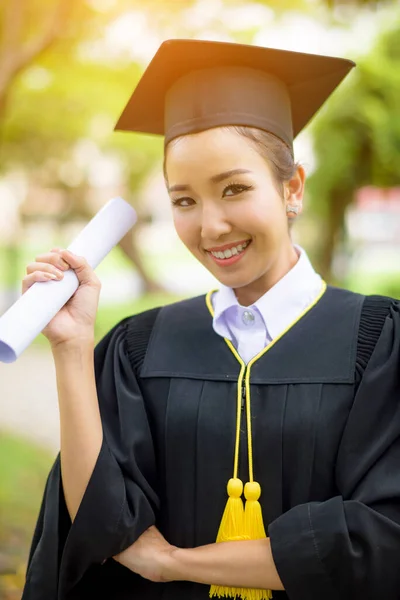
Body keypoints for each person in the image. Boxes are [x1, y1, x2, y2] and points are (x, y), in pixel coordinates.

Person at [21, 39, 400, 600]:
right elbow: (101, 519)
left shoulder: (378, 342)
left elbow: (380, 538)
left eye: (235, 189)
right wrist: (73, 347)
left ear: (292, 186)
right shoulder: (140, 346)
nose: (211, 226)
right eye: (184, 200)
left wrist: (173, 563)